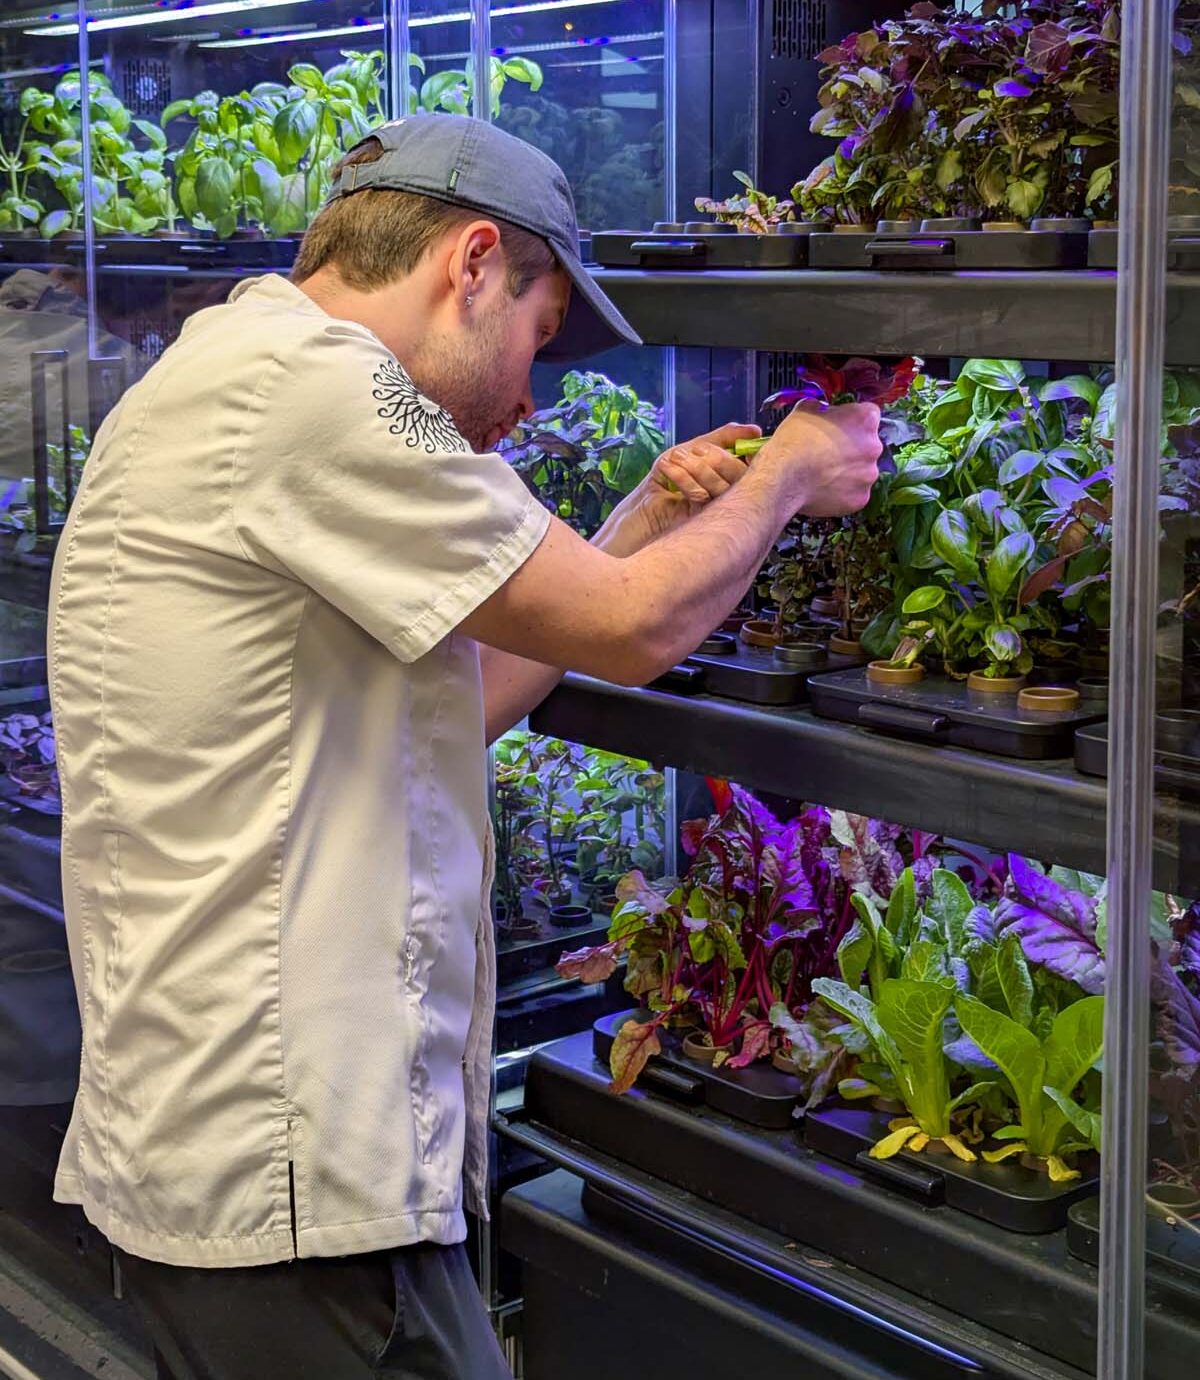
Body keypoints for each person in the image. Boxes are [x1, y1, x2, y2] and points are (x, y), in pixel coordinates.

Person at [47, 115, 881, 1379]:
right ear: (473, 262)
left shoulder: (234, 366)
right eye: (539, 337)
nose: (528, 397)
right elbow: (635, 630)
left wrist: (645, 511)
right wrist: (797, 473)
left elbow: (465, 693)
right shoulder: (323, 389)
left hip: (225, 1150)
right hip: (294, 1184)